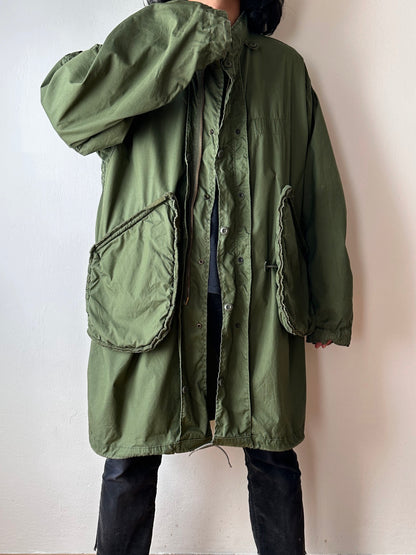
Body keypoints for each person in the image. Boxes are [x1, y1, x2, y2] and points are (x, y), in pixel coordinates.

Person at [40, 0, 353, 553]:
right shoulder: (148, 52)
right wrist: (179, 28)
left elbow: (316, 193)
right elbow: (69, 110)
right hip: (149, 297)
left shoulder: (283, 69)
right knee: (129, 459)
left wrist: (327, 305)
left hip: (259, 298)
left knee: (273, 453)